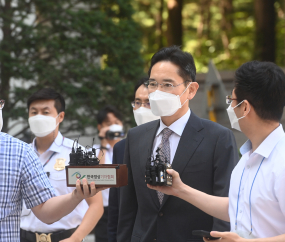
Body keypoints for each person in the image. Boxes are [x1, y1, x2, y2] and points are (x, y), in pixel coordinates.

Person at [148, 61, 285, 241]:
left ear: (245, 107)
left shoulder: (281, 162)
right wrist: (180, 190)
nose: (230, 107)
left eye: (231, 101)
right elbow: (237, 208)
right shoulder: (247, 158)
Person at [117, 46, 239, 242]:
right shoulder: (135, 137)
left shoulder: (218, 137)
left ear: (191, 90)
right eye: (153, 84)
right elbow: (128, 207)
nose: (157, 92)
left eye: (167, 85)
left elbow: (226, 204)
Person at [0, 101, 99, 242]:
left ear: (60, 116)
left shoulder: (20, 152)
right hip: (26, 237)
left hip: (64, 237)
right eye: (34, 112)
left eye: (45, 112)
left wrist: (76, 238)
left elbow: (95, 204)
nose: (39, 117)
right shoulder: (27, 150)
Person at [108, 77, 160, 242]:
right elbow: (117, 204)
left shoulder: (176, 142)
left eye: (148, 102)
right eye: (137, 102)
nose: (141, 109)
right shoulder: (121, 148)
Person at [91, 105, 124, 242]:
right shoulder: (94, 151)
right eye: (108, 124)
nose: (113, 126)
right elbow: (97, 175)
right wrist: (104, 143)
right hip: (104, 209)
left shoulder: (129, 147)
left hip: (125, 207)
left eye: (116, 123)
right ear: (100, 127)